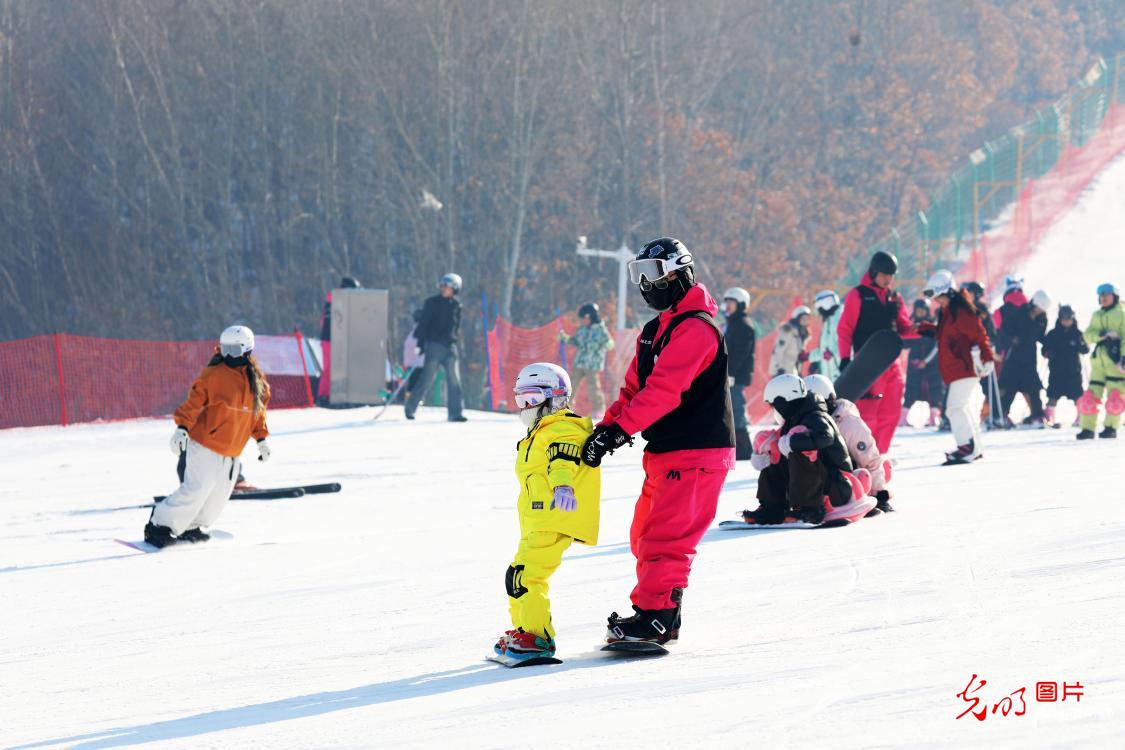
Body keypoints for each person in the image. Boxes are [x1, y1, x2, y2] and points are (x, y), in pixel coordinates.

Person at [580, 237, 734, 647]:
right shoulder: (655, 331)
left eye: (652, 275)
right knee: (644, 534)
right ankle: (662, 610)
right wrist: (605, 429)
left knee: (665, 539)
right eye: (638, 276)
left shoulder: (697, 329)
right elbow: (634, 390)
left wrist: (620, 431)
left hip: (697, 449)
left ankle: (657, 616)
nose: (646, 286)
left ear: (679, 273)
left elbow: (665, 391)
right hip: (667, 451)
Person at [492, 363, 600, 664]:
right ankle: (525, 630)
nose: (525, 407)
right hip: (537, 519)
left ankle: (539, 638)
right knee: (517, 575)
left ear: (556, 397)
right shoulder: (539, 431)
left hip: (554, 516)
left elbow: (562, 457)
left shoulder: (563, 427)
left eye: (532, 399)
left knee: (528, 575)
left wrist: (563, 486)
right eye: (520, 400)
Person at [145, 326, 271, 548]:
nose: (229, 355)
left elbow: (257, 414)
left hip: (232, 452)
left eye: (234, 350)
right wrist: (182, 427)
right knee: (197, 488)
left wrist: (261, 439)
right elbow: (194, 402)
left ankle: (191, 526)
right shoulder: (215, 375)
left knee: (217, 497)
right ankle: (159, 525)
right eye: (225, 349)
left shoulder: (257, 382)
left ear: (247, 350)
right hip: (205, 444)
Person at [739, 374, 872, 525]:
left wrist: (792, 442)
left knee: (801, 452)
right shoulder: (794, 418)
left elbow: (825, 437)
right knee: (774, 456)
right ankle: (772, 507)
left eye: (774, 404)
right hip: (820, 483)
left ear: (784, 400)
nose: (774, 409)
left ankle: (809, 509)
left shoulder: (816, 415)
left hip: (838, 485)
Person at [836, 251, 917, 454]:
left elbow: (904, 327)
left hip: (892, 363)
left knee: (891, 413)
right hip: (867, 365)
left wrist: (927, 329)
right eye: (884, 274)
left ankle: (879, 456)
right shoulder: (858, 295)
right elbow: (845, 329)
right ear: (873, 272)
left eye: (891, 275)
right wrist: (845, 359)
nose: (888, 279)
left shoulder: (894, 298)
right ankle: (863, 455)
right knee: (868, 414)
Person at [917, 271, 995, 464]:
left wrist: (987, 357)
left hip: (965, 366)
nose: (937, 302)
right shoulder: (948, 312)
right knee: (962, 407)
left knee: (955, 408)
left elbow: (978, 333)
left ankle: (966, 447)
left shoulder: (961, 311)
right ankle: (973, 447)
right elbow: (945, 336)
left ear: (949, 293)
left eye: (939, 297)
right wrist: (926, 328)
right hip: (956, 368)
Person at [804, 374, 894, 513]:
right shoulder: (810, 421)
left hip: (852, 479)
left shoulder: (848, 423)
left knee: (863, 473)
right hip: (828, 482)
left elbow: (869, 458)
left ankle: (870, 490)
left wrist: (879, 494)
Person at [405, 273, 466, 422]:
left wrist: (456, 343)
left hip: (450, 347)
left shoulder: (457, 305)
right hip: (434, 346)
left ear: (455, 289)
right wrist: (421, 344)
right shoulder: (431, 303)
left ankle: (455, 413)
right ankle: (410, 407)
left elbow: (455, 327)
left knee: (454, 380)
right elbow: (423, 324)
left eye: (448, 286)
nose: (444, 289)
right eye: (443, 286)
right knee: (427, 379)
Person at [1077, 282, 1125, 440]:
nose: (1103, 297)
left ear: (1115, 296)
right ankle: (1087, 429)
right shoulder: (1097, 315)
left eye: (1107, 294)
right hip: (1098, 363)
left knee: (1115, 399)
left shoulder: (1122, 314)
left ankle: (1111, 428)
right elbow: (1087, 335)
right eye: (1101, 295)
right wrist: (1102, 335)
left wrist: (1124, 357)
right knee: (1090, 397)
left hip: (1116, 363)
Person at [997, 289, 1051, 427]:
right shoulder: (1018, 313)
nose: (1040, 311)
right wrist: (1010, 340)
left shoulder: (1042, 319)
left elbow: (1040, 337)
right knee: (1009, 387)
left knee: (1033, 388)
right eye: (1039, 308)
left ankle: (1038, 416)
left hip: (1029, 358)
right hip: (1014, 356)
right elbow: (1003, 331)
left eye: (1042, 309)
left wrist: (1048, 347)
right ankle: (1001, 415)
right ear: (1033, 304)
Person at [560, 302, 614, 419]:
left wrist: (605, 343)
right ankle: (565, 408)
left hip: (593, 364)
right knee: (571, 385)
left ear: (591, 317)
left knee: (593, 387)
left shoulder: (600, 330)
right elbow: (576, 341)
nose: (583, 321)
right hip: (579, 362)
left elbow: (610, 344)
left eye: (584, 318)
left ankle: (599, 409)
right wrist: (566, 338)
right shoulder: (582, 330)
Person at [722, 287, 757, 460]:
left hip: (735, 376)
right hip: (729, 374)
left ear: (741, 304)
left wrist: (731, 373)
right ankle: (732, 446)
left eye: (732, 302)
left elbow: (741, 353)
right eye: (726, 302)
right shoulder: (732, 323)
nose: (727, 306)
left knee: (736, 409)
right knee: (728, 409)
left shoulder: (743, 325)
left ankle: (744, 449)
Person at [315, 276, 361, 406]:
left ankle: (329, 395)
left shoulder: (335, 298)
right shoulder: (338, 298)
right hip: (330, 338)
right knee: (330, 368)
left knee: (334, 368)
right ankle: (323, 396)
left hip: (333, 338)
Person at [1042, 304, 1088, 428]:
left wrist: (1082, 345)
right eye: (1064, 319)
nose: (1066, 321)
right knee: (1052, 395)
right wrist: (1047, 352)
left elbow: (1085, 349)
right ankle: (1049, 417)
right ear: (1060, 319)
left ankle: (1081, 416)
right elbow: (1044, 349)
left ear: (1073, 319)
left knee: (1077, 395)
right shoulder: (1053, 334)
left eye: (1069, 319)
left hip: (1073, 371)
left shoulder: (1077, 333)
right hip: (1056, 371)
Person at [903, 299, 944, 427]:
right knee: (912, 389)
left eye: (923, 310)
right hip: (915, 364)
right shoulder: (912, 325)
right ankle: (903, 418)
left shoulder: (932, 326)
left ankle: (933, 418)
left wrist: (926, 361)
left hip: (932, 365)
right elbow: (905, 343)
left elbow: (937, 345)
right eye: (918, 310)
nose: (920, 313)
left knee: (934, 391)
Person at [809, 290, 842, 381]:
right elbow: (824, 350)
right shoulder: (828, 322)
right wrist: (811, 358)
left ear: (826, 304)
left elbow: (848, 349)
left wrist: (833, 355)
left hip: (841, 374)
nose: (820, 312)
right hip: (830, 376)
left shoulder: (840, 320)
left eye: (820, 308)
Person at [768, 305, 811, 376]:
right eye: (803, 318)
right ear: (797, 318)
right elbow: (778, 350)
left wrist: (799, 371)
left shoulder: (803, 333)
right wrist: (778, 369)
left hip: (793, 371)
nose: (805, 321)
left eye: (807, 319)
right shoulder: (788, 330)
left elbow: (797, 356)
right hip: (782, 370)